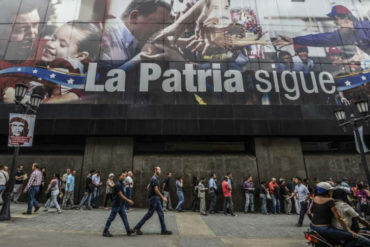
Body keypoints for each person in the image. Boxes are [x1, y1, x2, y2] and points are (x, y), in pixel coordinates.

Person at [274, 5, 370, 57]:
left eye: (335, 19)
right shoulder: (346, 35)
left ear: (344, 19)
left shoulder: (367, 26)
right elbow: (319, 39)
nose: (335, 23)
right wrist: (295, 40)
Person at [101, 0, 172, 68]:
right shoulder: (104, 34)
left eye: (166, 26)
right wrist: (143, 56)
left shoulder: (136, 39)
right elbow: (103, 78)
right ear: (134, 17)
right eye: (159, 23)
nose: (163, 31)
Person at [310, 182, 370, 246]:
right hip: (325, 229)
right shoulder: (330, 200)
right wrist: (349, 230)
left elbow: (310, 211)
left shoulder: (314, 198)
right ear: (325, 192)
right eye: (330, 191)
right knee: (355, 237)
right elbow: (338, 217)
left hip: (313, 226)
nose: (331, 192)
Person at [133, 166, 172, 235]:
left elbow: (148, 187)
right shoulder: (155, 179)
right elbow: (156, 190)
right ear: (156, 170)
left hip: (154, 198)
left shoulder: (153, 178)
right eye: (159, 169)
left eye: (160, 169)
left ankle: (163, 230)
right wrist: (163, 197)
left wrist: (151, 191)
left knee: (161, 213)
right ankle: (137, 228)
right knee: (149, 214)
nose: (160, 171)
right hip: (155, 199)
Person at [102, 171, 135, 237]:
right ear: (120, 176)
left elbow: (125, 185)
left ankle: (128, 230)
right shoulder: (118, 184)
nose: (122, 176)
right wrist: (128, 200)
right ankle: (105, 231)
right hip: (116, 205)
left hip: (121, 205)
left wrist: (128, 183)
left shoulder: (122, 184)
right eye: (122, 175)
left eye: (124, 176)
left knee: (124, 217)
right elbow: (120, 194)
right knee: (111, 218)